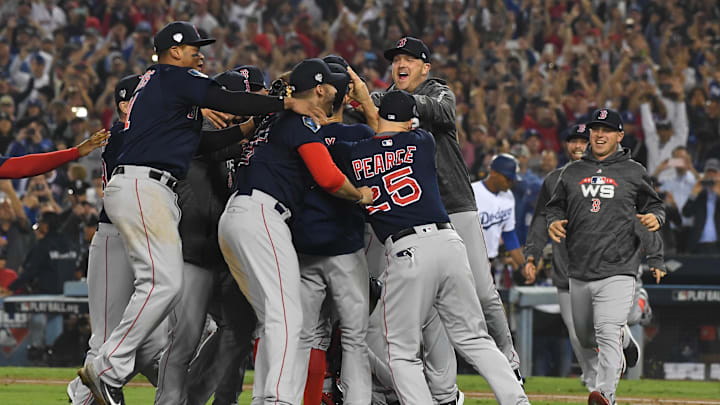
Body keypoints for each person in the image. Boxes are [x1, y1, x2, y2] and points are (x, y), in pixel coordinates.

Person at [77, 21, 326, 405]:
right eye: (194, 48)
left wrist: (243, 130)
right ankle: (107, 366)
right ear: (174, 51)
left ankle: (108, 367)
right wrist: (285, 104)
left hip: (141, 185)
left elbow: (200, 144)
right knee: (164, 284)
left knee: (162, 284)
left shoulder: (162, 93)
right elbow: (225, 99)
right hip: (146, 186)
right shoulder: (171, 76)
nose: (201, 54)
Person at [332, 90, 529, 405]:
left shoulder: (354, 152)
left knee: (400, 351)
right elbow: (388, 135)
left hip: (407, 249)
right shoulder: (423, 142)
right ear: (411, 120)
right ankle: (517, 400)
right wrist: (375, 111)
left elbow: (365, 142)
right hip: (449, 244)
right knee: (475, 337)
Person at [370, 36, 523, 398]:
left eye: (409, 59)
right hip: (414, 216)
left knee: (484, 294)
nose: (400, 64)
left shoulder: (438, 92)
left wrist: (384, 100)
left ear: (425, 67)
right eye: (396, 59)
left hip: (455, 204)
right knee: (433, 313)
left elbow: (443, 113)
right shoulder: (385, 101)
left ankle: (510, 363)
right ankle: (443, 391)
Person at [217, 58, 373, 405]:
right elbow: (329, 178)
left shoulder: (271, 119)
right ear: (319, 89)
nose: (337, 91)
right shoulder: (299, 120)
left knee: (272, 317)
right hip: (261, 215)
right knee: (288, 317)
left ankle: (263, 397)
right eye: (332, 86)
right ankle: (278, 399)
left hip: (234, 219)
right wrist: (360, 194)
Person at [154, 68, 260, 405]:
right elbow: (213, 150)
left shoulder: (233, 135)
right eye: (232, 102)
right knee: (183, 340)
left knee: (236, 329)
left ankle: (194, 397)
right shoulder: (193, 130)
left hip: (221, 255)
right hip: (192, 253)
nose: (236, 112)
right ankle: (170, 401)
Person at [546, 109, 666, 405]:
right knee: (586, 337)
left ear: (619, 136)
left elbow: (655, 205)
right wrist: (554, 220)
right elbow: (554, 207)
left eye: (607, 130)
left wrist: (656, 218)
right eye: (595, 130)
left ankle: (605, 395)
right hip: (580, 269)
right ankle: (626, 340)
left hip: (619, 268)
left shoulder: (633, 171)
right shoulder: (570, 172)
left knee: (606, 330)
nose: (599, 135)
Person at [66, 75, 169, 405]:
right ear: (127, 104)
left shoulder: (147, 132)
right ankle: (81, 398)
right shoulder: (121, 137)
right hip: (114, 237)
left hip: (145, 235)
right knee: (105, 337)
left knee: (154, 343)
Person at [291, 61, 376, 405]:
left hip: (304, 249)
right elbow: (390, 146)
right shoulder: (359, 136)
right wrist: (368, 106)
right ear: (344, 100)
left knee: (309, 339)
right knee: (355, 339)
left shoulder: (298, 136)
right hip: (345, 248)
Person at [471, 154, 525, 269]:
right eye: (508, 179)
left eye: (512, 180)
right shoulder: (472, 192)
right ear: (493, 172)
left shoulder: (509, 196)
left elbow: (509, 235)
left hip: (491, 262)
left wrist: (523, 266)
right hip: (469, 261)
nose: (511, 183)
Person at [681, 158, 720, 254]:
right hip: (698, 245)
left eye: (714, 173)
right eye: (708, 173)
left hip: (717, 246)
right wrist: (693, 194)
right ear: (704, 175)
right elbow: (686, 213)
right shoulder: (700, 196)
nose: (711, 176)